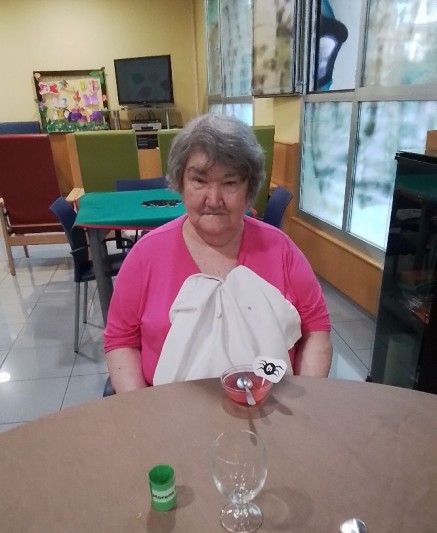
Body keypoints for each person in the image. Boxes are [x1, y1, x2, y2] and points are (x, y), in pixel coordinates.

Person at [104, 114, 332, 393]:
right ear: (181, 183)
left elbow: (316, 330)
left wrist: (306, 401)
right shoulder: (145, 256)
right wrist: (145, 410)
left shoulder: (282, 250)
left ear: (249, 189)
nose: (213, 200)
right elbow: (121, 341)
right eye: (199, 181)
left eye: (229, 183)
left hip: (271, 407)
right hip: (171, 411)